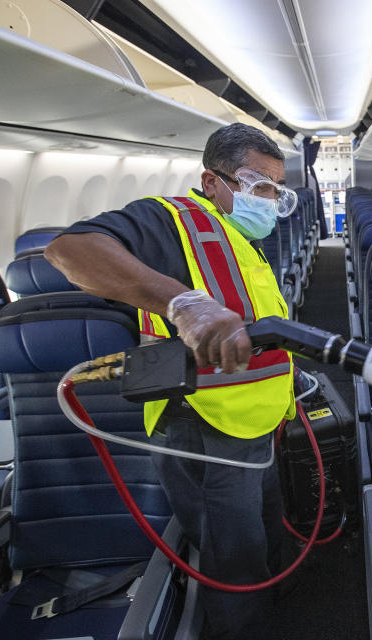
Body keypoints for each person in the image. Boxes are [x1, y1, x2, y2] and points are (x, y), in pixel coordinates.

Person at [45, 123, 299, 639]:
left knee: (262, 539)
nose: (270, 202)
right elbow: (69, 250)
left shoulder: (242, 237)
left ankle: (282, 611)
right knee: (233, 564)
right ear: (212, 181)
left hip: (259, 422)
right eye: (260, 188)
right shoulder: (170, 219)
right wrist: (181, 303)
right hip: (204, 429)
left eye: (277, 190)